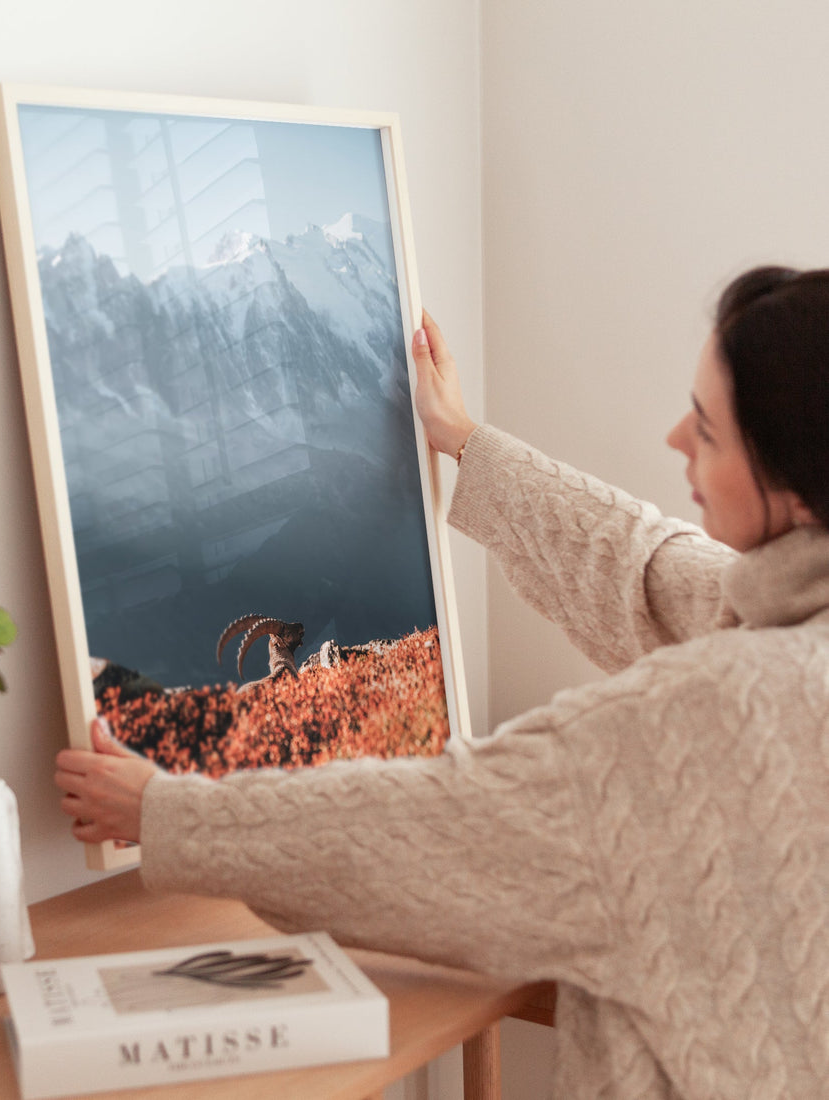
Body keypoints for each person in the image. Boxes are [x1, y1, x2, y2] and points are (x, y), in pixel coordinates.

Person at [55, 266, 829, 1099]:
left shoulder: (709, 716)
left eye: (709, 432)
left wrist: (164, 814)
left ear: (793, 488)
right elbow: (648, 570)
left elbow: (437, 826)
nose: (677, 437)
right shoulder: (791, 624)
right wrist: (464, 440)